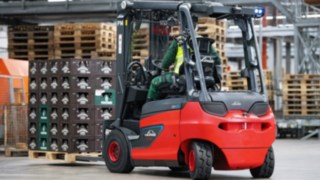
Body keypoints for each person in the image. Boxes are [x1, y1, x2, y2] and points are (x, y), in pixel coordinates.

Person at [147, 34, 222, 101]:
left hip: (182, 79)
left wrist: (165, 68)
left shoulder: (179, 41)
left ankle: (147, 108)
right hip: (205, 80)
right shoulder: (205, 42)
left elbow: (165, 63)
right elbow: (217, 61)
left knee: (154, 82)